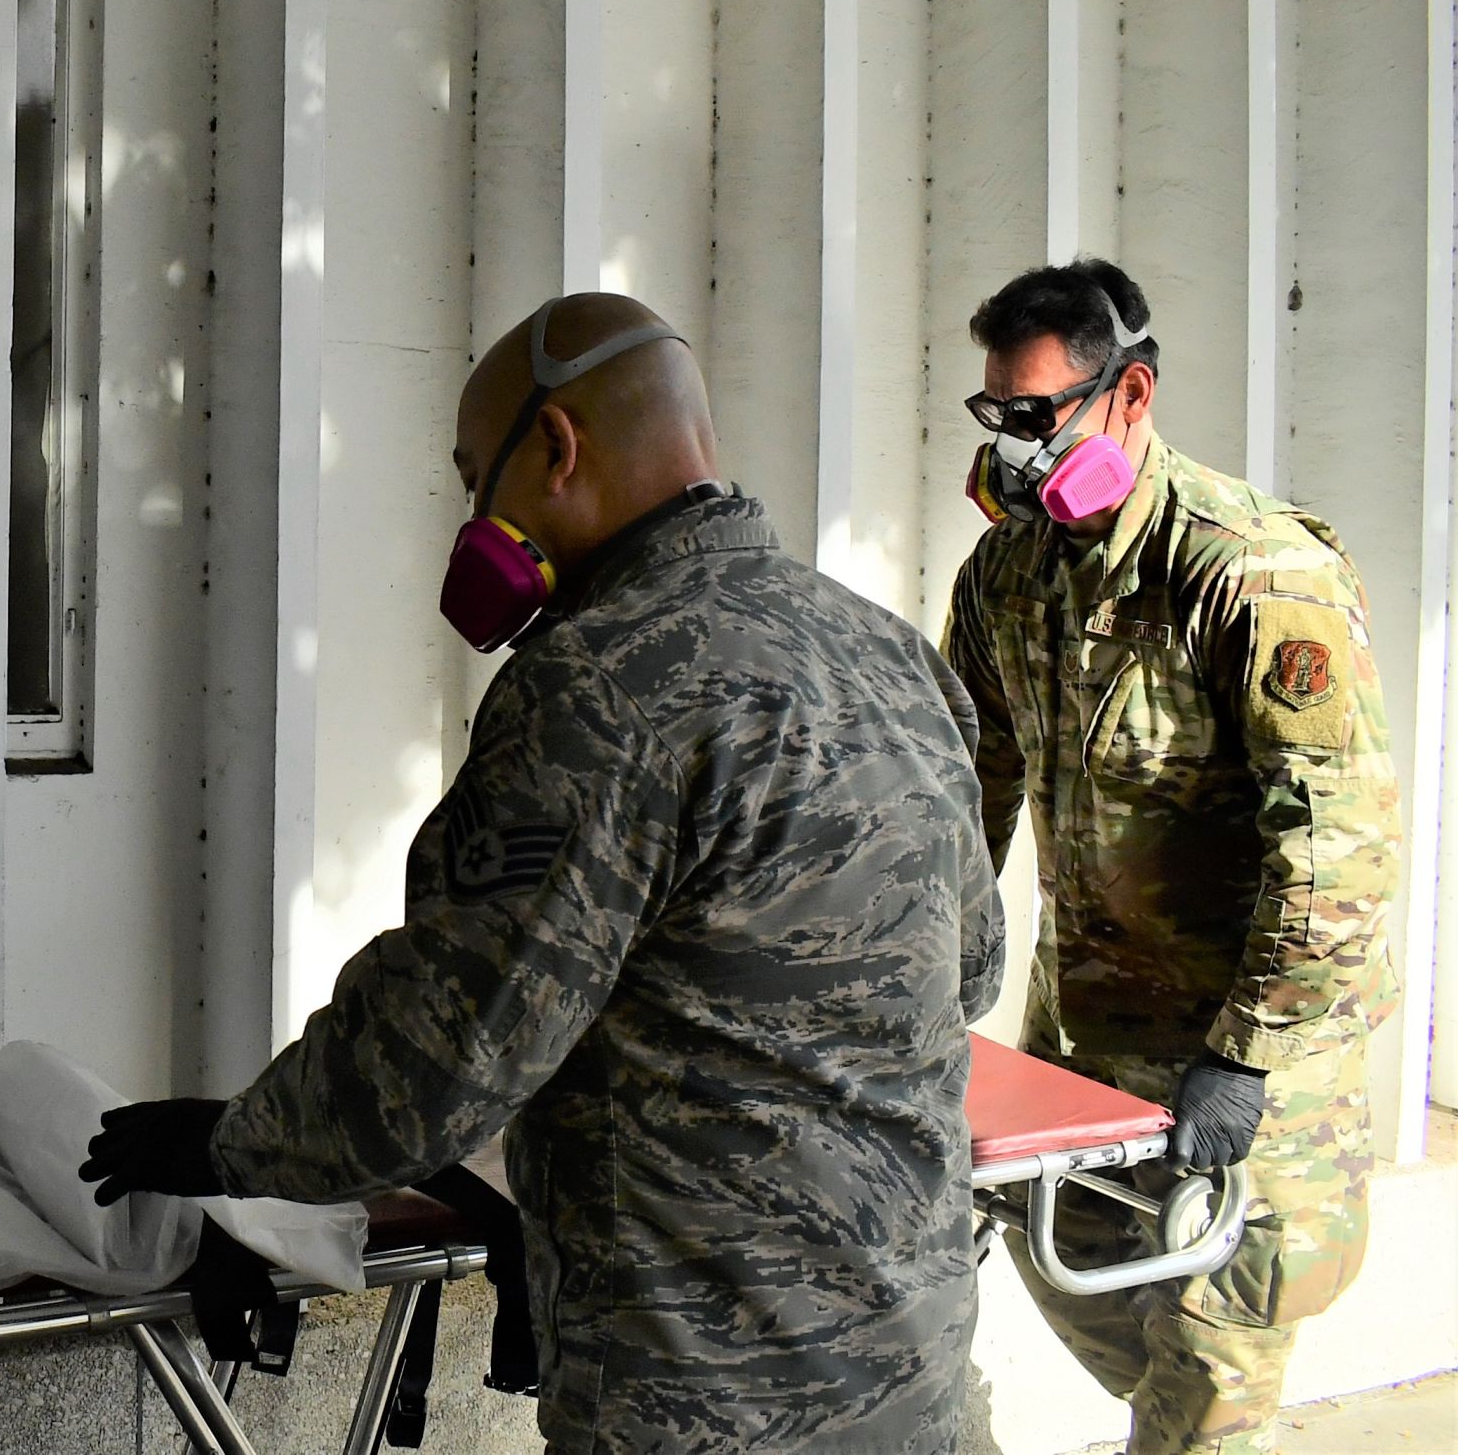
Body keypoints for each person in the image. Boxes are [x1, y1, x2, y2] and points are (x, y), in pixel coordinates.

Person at [82, 293, 1003, 1453]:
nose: (476, 516)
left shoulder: (594, 688)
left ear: (555, 447)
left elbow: (440, 1062)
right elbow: (967, 971)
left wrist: (234, 1142)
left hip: (705, 1396)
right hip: (911, 1365)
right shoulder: (886, 651)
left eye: (479, 477)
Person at [942, 258, 1399, 1455]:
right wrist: (929, 983)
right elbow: (964, 794)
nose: (1015, 450)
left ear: (1129, 397)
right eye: (997, 417)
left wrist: (1248, 1057)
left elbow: (1336, 845)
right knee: (1078, 1282)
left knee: (1207, 1370)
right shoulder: (1005, 573)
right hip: (1090, 1038)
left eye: (1039, 417)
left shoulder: (1251, 568)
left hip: (1247, 1054)